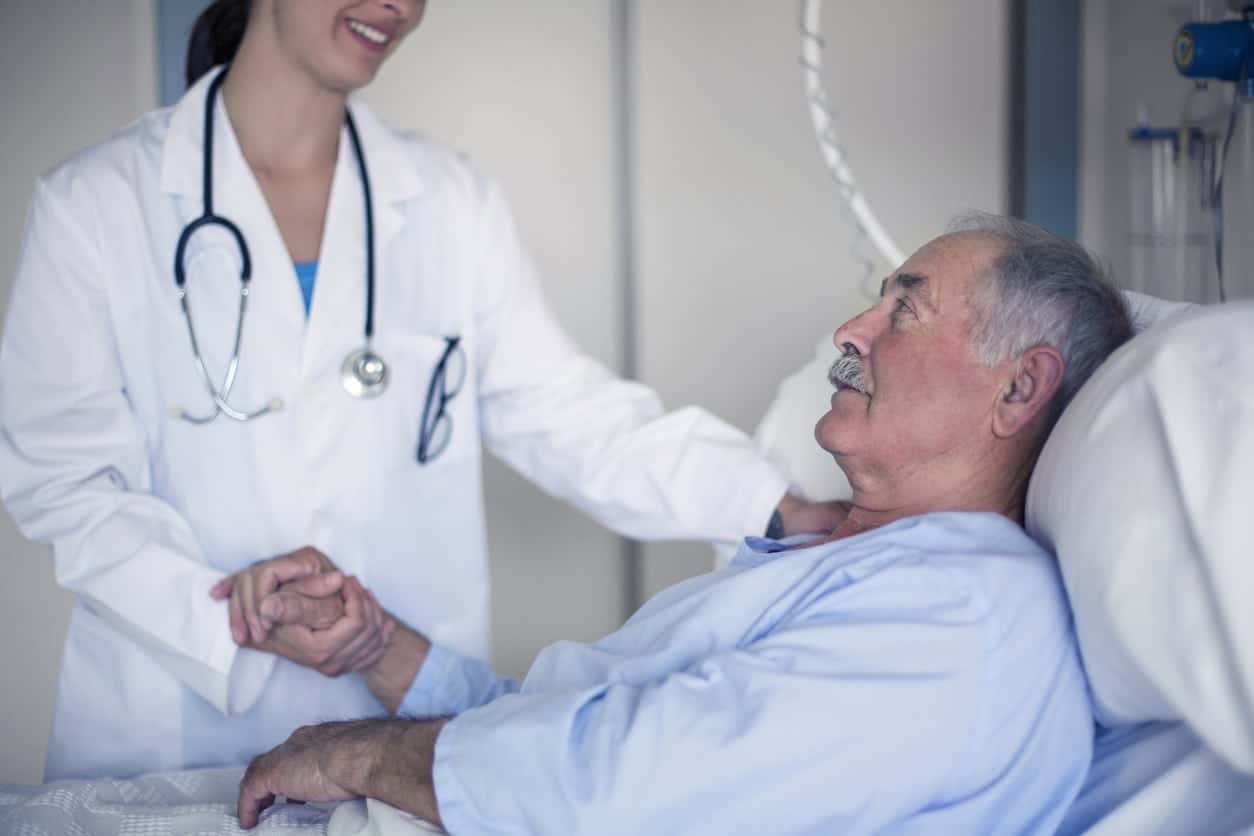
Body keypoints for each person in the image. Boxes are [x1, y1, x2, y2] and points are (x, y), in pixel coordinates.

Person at [0, 0, 838, 781]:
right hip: (175, 729)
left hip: (396, 734)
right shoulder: (99, 204)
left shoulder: (445, 198)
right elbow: (65, 484)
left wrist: (769, 503)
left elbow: (564, 413)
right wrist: (225, 613)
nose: (397, 4)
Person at [233, 214, 1136, 834]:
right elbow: (553, 737)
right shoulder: (852, 564)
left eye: (904, 308)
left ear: (1019, 387)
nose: (852, 329)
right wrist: (380, 649)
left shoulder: (970, 619)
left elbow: (605, 790)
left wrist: (359, 754)